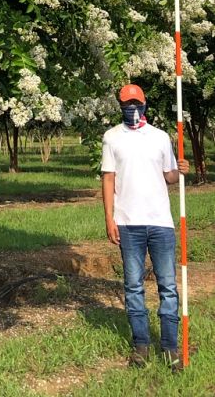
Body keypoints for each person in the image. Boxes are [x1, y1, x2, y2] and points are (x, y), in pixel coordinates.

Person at [101, 83, 190, 372]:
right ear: (121, 106)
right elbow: (108, 179)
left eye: (136, 102)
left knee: (167, 286)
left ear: (144, 103)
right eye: (127, 104)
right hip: (128, 223)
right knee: (133, 286)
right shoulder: (112, 137)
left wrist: (181, 171)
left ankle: (170, 346)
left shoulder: (161, 138)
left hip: (160, 223)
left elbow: (170, 176)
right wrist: (109, 218)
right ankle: (141, 344)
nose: (132, 108)